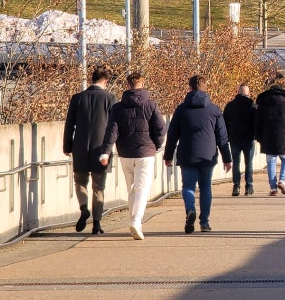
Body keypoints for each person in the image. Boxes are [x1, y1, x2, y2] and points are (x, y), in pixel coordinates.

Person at [99, 71, 166, 240]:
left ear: (128, 86)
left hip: (125, 153)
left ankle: (134, 220)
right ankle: (136, 220)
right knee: (142, 189)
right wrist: (157, 144)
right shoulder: (151, 105)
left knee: (131, 189)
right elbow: (161, 128)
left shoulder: (118, 108)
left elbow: (112, 131)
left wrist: (105, 152)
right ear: (142, 85)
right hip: (145, 152)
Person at [164, 76, 232, 233]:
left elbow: (172, 135)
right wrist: (227, 158)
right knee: (205, 186)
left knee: (188, 186)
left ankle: (190, 210)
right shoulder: (214, 109)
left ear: (190, 87)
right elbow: (222, 137)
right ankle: (204, 222)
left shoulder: (181, 110)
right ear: (205, 87)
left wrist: (168, 156)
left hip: (187, 153)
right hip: (208, 154)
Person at [63, 66, 114, 234]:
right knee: (98, 187)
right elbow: (114, 126)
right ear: (105, 81)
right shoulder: (110, 98)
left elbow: (70, 124)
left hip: (80, 147)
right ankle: (97, 224)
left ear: (92, 79)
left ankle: (84, 208)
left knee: (80, 182)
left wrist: (67, 146)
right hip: (101, 149)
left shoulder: (77, 98)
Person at [254, 74, 285, 196]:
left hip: (267, 136)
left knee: (271, 161)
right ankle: (282, 181)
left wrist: (258, 137)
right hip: (284, 135)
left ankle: (273, 188)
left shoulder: (262, 105)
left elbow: (257, 122)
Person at [223, 84, 257, 196]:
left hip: (234, 138)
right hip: (249, 138)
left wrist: (227, 135)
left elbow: (224, 122)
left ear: (238, 92)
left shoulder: (230, 105)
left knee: (236, 163)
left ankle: (236, 186)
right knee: (249, 163)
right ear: (248, 93)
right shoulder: (252, 106)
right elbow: (257, 122)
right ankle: (249, 186)